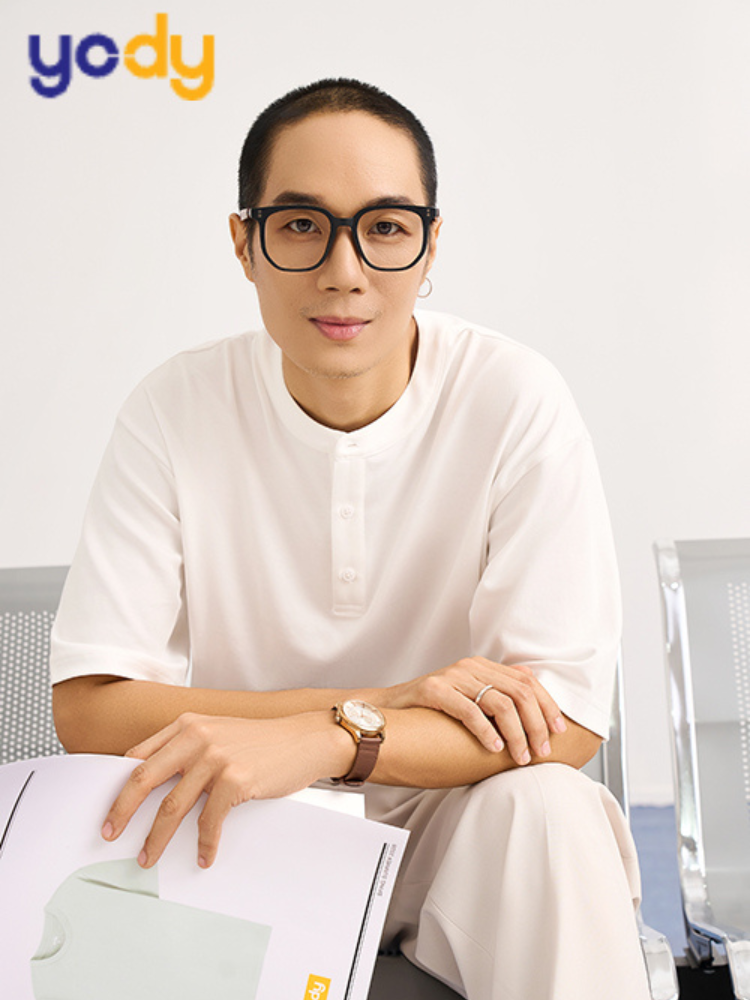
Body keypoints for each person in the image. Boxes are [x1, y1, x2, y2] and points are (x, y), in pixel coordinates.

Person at [51, 78, 650, 998]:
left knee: (550, 808)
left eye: (385, 226)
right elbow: (91, 710)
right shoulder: (174, 408)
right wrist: (362, 707)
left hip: (460, 829)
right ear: (244, 244)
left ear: (430, 245)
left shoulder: (513, 397)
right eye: (301, 225)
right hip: (246, 823)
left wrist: (337, 739)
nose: (344, 270)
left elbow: (560, 721)